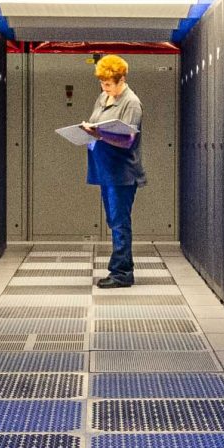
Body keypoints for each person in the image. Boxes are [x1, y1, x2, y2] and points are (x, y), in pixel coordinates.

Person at [82, 54, 145, 287]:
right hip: (105, 169)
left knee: (120, 223)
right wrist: (87, 131)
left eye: (108, 83)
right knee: (113, 221)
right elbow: (96, 122)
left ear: (122, 79)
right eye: (102, 83)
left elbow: (128, 139)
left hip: (122, 173)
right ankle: (121, 269)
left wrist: (97, 134)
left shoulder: (131, 103)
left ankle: (121, 273)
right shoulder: (104, 97)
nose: (104, 87)